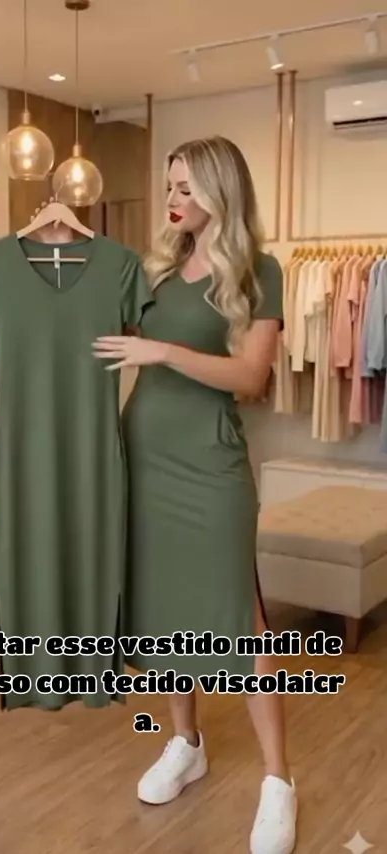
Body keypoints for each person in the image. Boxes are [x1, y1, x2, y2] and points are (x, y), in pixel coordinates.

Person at [92, 136, 297, 854]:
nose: (172, 199)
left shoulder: (258, 270)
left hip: (209, 466)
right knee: (163, 607)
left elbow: (251, 378)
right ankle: (186, 742)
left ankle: (279, 782)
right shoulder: (154, 268)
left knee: (242, 620)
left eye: (186, 186)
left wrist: (164, 351)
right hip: (142, 457)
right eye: (169, 185)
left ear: (220, 190)